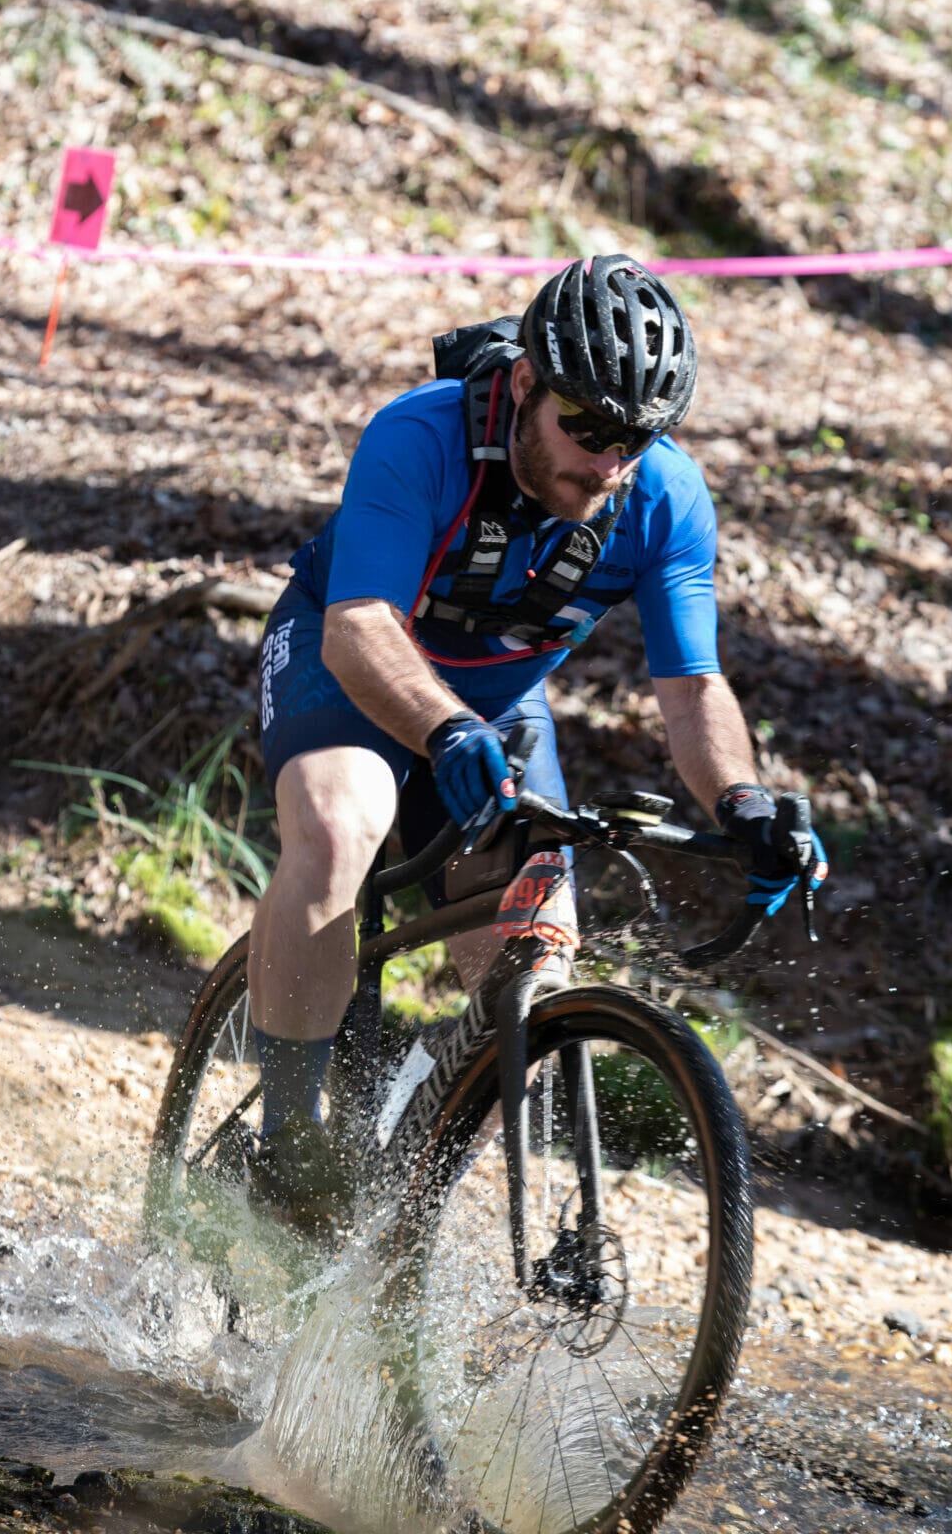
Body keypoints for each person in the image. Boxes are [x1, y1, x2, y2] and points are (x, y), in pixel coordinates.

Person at [247, 254, 825, 1228]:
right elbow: (359, 629)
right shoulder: (420, 436)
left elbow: (691, 689)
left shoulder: (663, 499)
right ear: (522, 384)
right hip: (352, 666)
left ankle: (402, 1222)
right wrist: (440, 727)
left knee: (533, 966)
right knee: (342, 827)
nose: (609, 464)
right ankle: (287, 1140)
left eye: (637, 439)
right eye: (587, 428)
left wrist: (744, 802)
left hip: (497, 712)